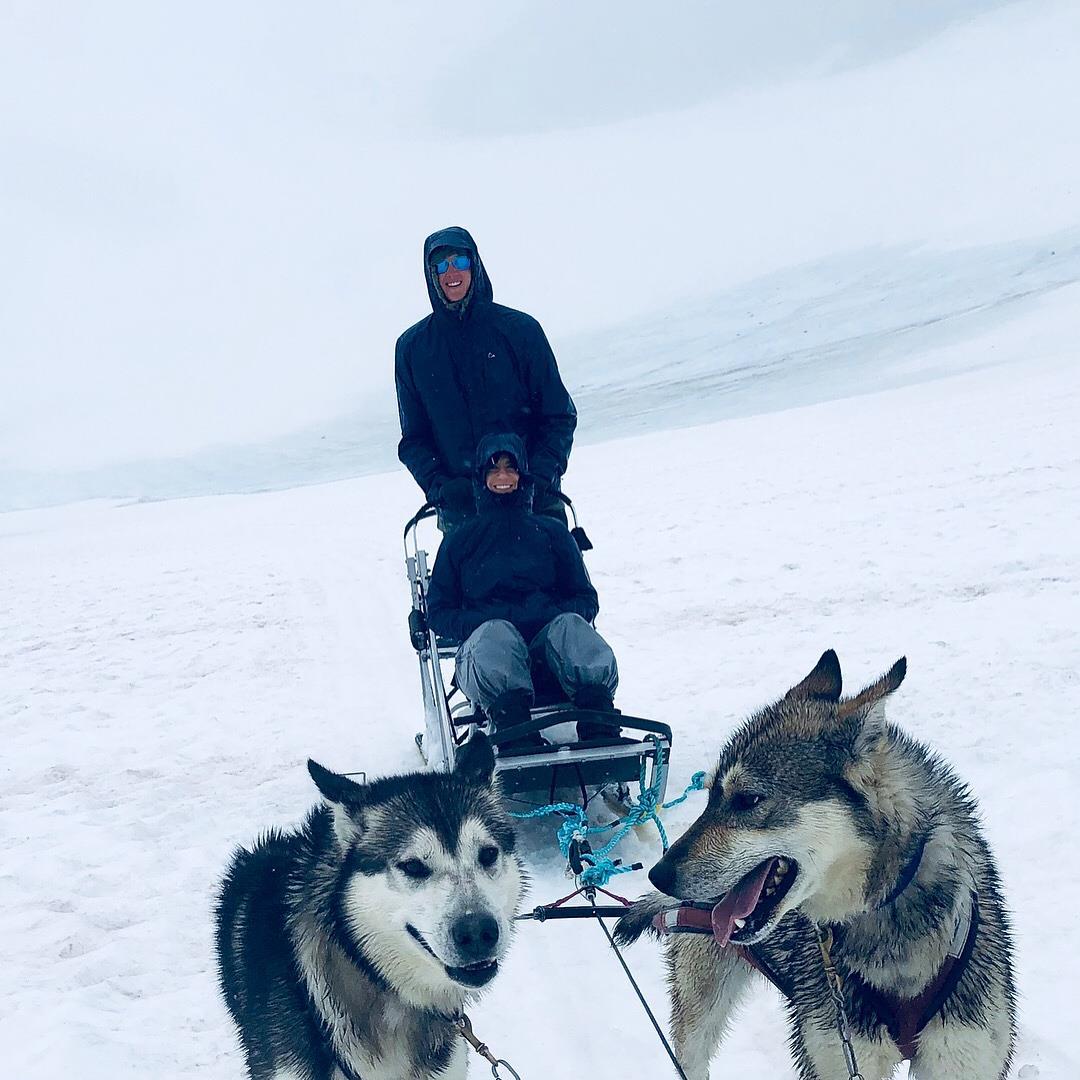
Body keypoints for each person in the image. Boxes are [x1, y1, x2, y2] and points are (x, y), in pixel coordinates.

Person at [426, 433, 620, 748]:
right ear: (481, 476)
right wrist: (486, 621)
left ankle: (599, 725)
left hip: (548, 654)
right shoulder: (459, 542)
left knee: (570, 626)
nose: (503, 477)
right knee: (496, 633)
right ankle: (515, 734)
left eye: (510, 468)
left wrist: (544, 615)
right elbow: (438, 612)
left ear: (522, 474)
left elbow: (586, 599)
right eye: (494, 469)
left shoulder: (552, 532)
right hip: (487, 660)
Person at [395, 226, 578, 533]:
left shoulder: (520, 331)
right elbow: (414, 439)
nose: (451, 272)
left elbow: (558, 415)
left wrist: (540, 475)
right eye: (441, 265)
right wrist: (441, 488)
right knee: (464, 580)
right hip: (463, 511)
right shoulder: (414, 349)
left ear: (475, 264)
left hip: (535, 501)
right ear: (431, 274)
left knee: (560, 579)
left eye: (459, 261)